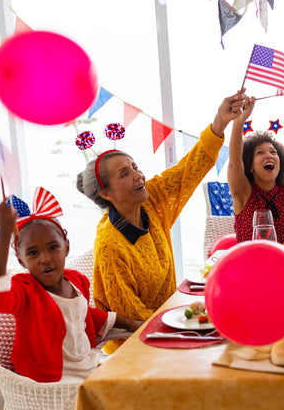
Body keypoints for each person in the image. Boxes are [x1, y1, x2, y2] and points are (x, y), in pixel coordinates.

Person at [76, 90, 246, 353]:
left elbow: (189, 168)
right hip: (138, 345)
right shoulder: (110, 245)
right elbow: (132, 319)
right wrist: (188, 324)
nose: (137, 175)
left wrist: (219, 123)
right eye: (125, 173)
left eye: (134, 166)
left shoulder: (150, 200)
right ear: (106, 194)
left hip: (171, 323)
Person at [0, 188, 140, 383]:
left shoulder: (76, 279)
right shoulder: (24, 289)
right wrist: (4, 236)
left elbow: (84, 314)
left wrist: (133, 324)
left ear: (67, 247)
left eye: (53, 247)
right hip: (56, 385)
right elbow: (0, 296)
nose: (45, 259)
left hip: (89, 368)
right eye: (33, 253)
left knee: (147, 372)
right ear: (21, 261)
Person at [227, 94, 284, 244]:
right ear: (250, 166)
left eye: (273, 152)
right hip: (250, 265)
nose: (269, 156)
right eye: (260, 152)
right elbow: (234, 163)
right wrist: (238, 123)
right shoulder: (244, 191)